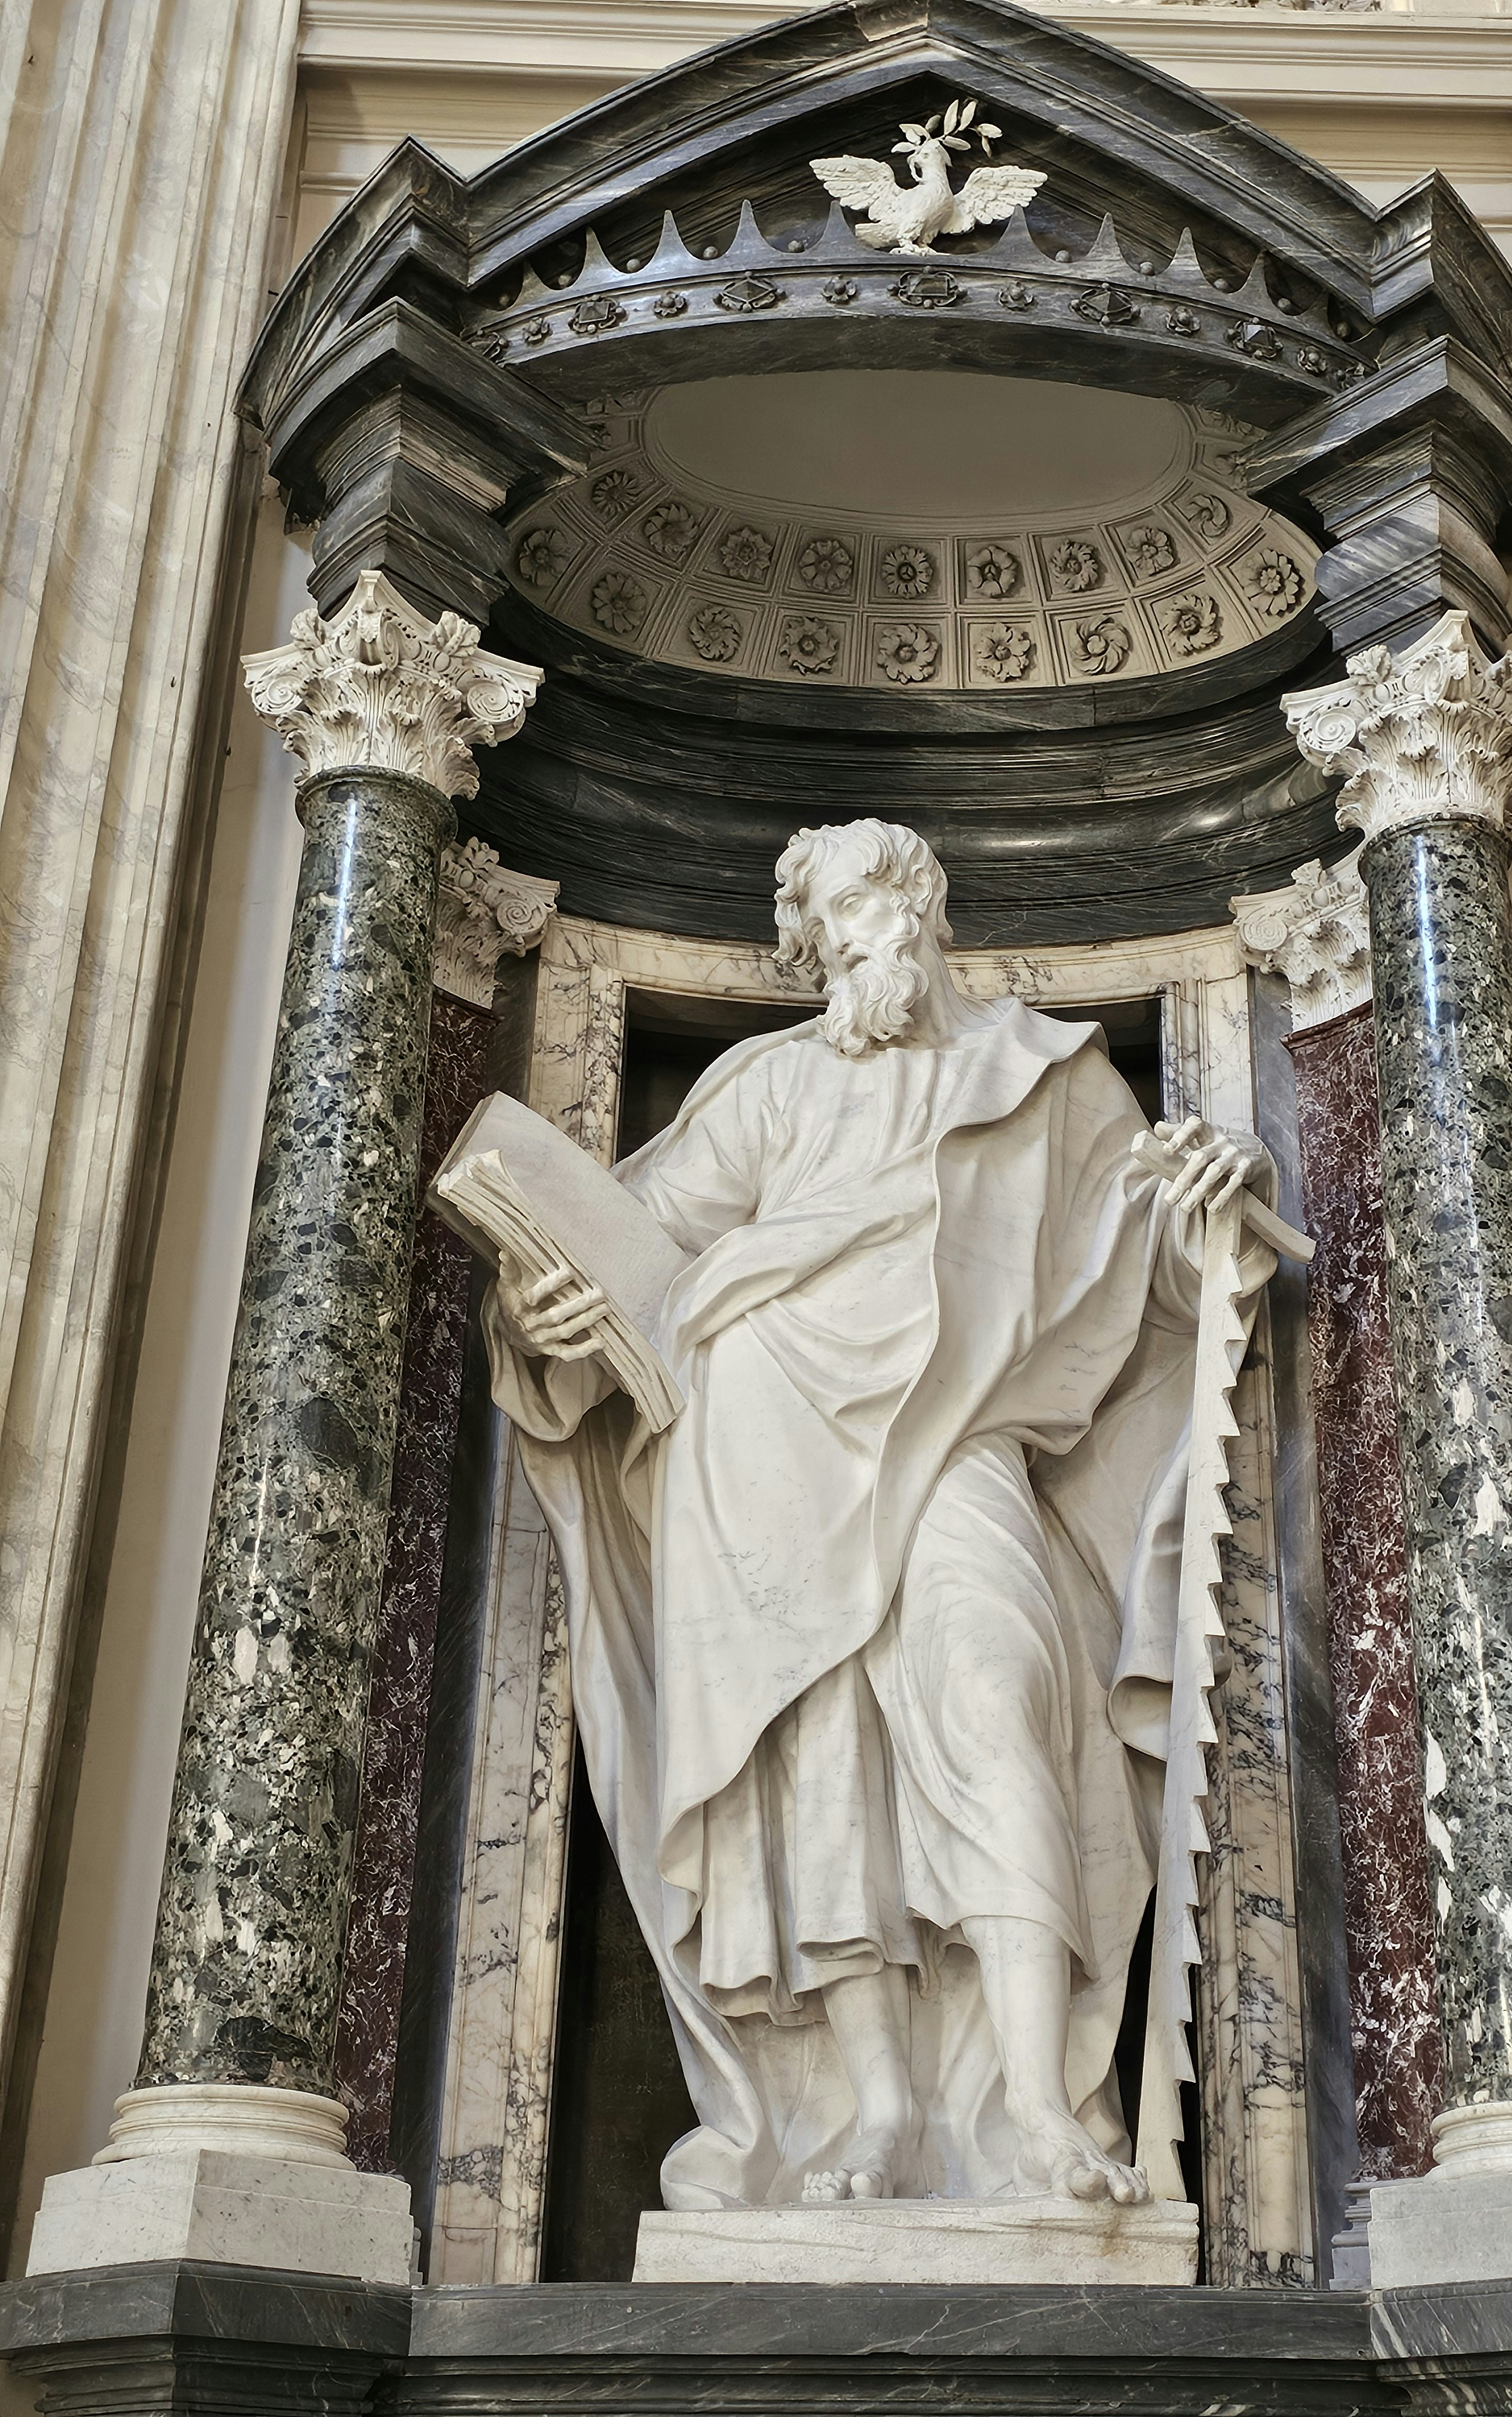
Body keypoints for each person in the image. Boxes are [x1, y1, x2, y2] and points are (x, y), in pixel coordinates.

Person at [485, 818, 1276, 2209]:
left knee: (997, 1695)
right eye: (838, 919)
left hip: (958, 1452)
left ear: (928, 911)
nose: (868, 937)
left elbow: (1140, 1260)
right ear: (809, 946)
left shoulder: (1045, 1074)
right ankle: (881, 2107)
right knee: (820, 1778)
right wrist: (544, 1312)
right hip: (761, 1460)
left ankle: (1037, 2105)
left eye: (886, 904)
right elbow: (629, 1244)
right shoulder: (769, 1088)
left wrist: (1208, 1201)